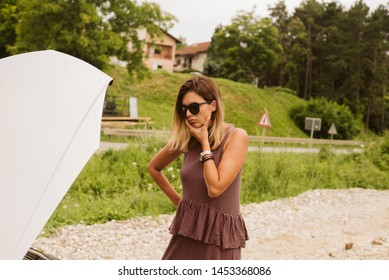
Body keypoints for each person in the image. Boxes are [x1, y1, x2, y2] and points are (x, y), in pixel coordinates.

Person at [147, 75, 249, 260]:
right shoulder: (187, 138)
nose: (187, 114)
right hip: (187, 234)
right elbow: (154, 168)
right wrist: (178, 202)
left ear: (213, 106)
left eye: (194, 108)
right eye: (184, 108)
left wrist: (204, 143)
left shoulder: (236, 137)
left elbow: (215, 188)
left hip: (218, 240)